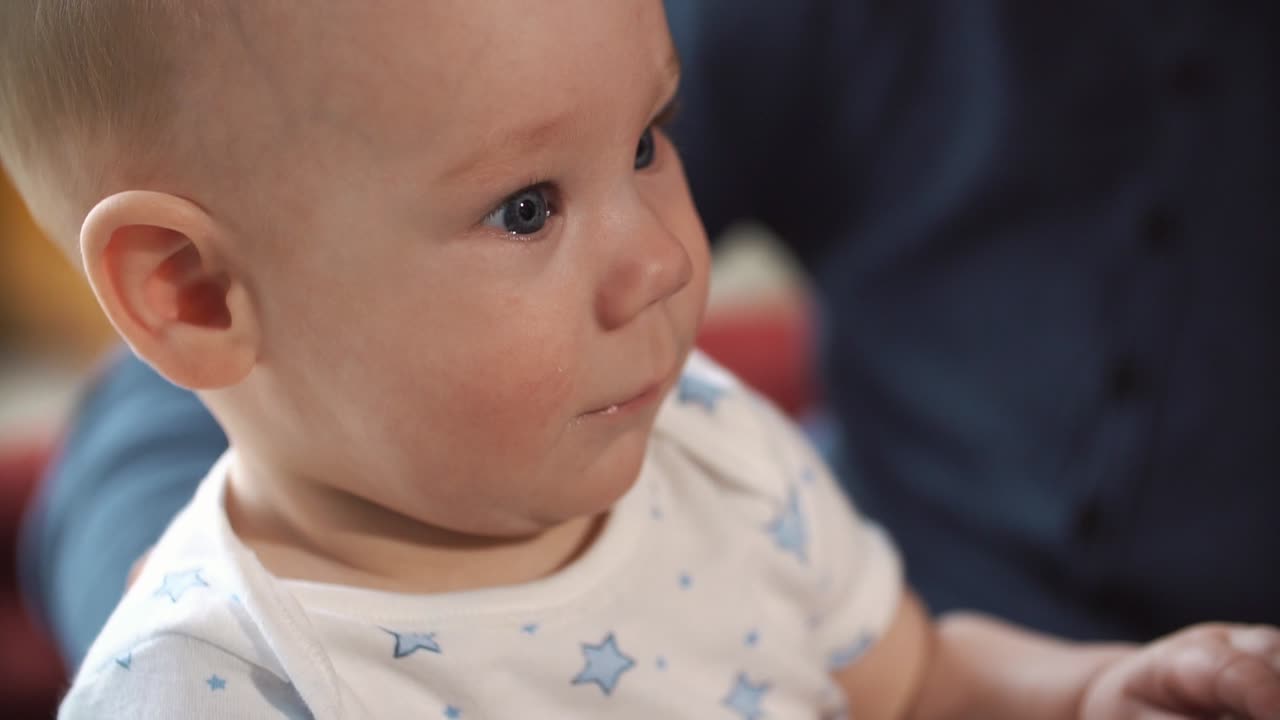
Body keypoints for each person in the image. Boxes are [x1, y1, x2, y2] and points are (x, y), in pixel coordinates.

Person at [5, 1, 1280, 719]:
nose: (666, 260)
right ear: (194, 292)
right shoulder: (218, 688)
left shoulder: (709, 441)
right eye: (525, 208)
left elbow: (917, 680)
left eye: (647, 139)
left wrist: (1086, 693)